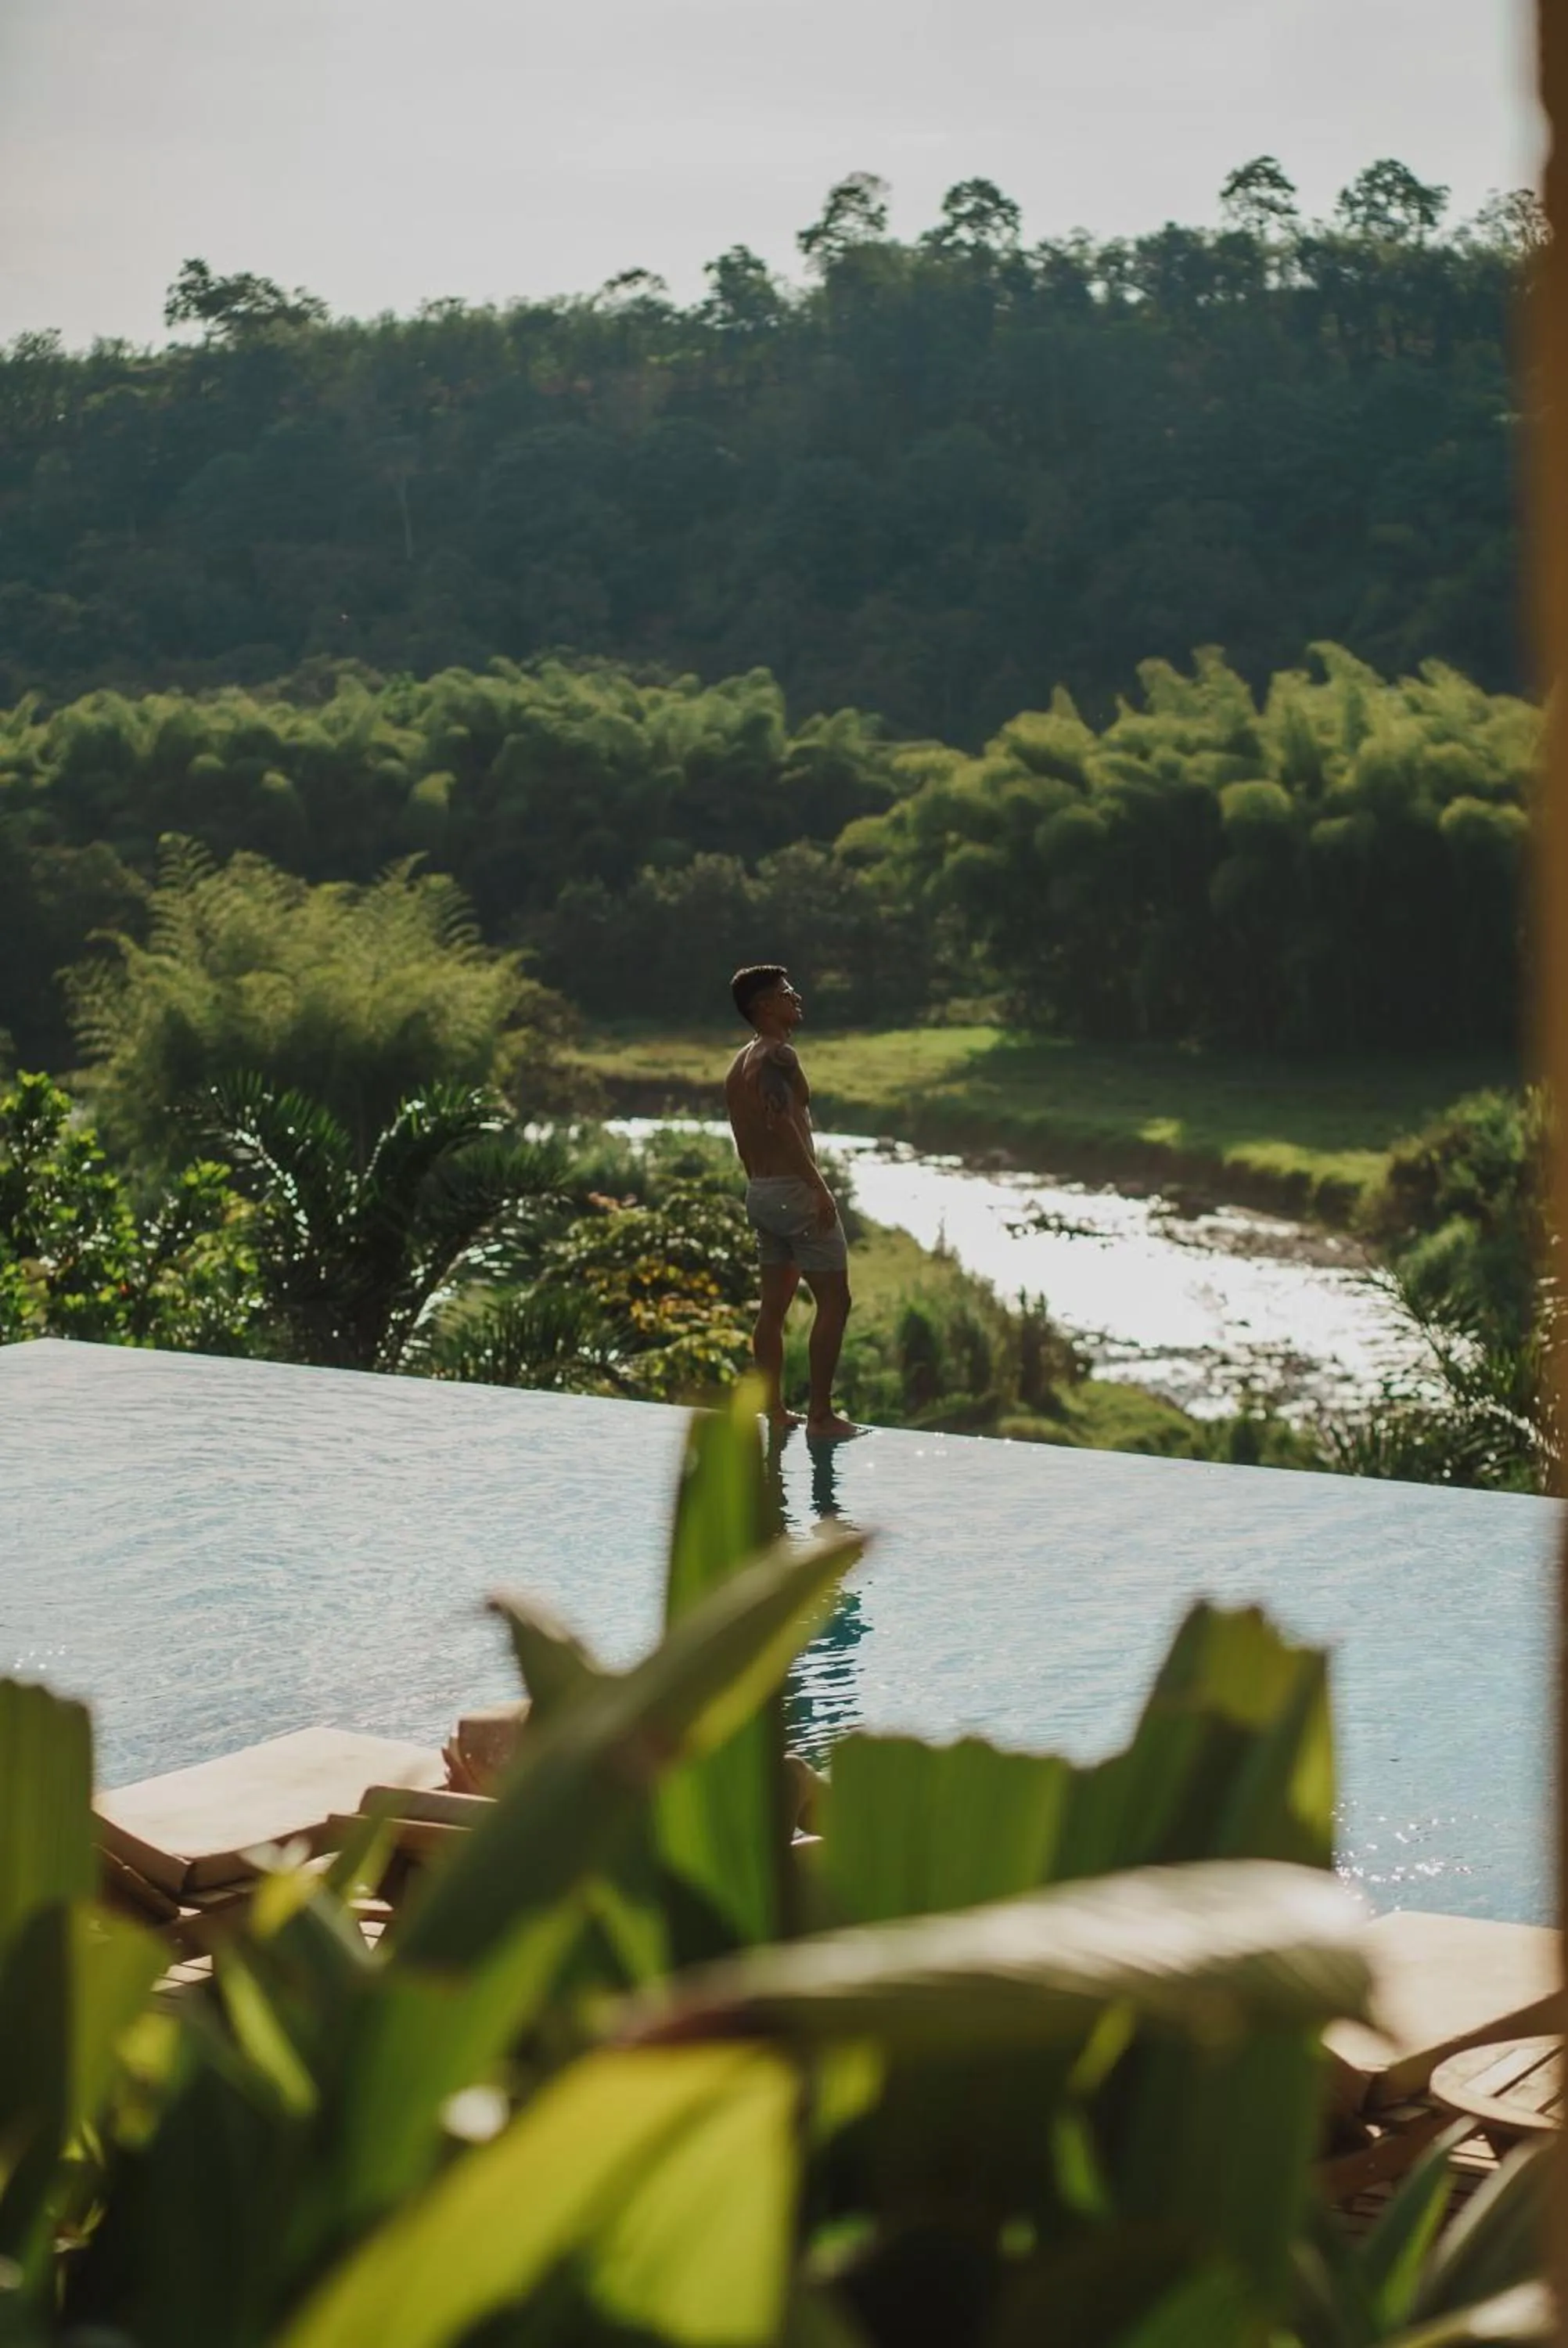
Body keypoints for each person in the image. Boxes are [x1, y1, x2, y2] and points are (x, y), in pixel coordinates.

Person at [725, 964, 857, 1439]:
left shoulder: (739, 1063)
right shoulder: (777, 1055)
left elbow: (749, 1134)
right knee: (835, 1300)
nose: (796, 997)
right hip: (794, 1192)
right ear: (764, 1007)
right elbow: (781, 1124)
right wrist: (817, 1187)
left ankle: (775, 1410)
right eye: (786, 993)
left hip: (760, 1192)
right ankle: (821, 1416)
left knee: (773, 1307)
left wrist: (768, 1190)